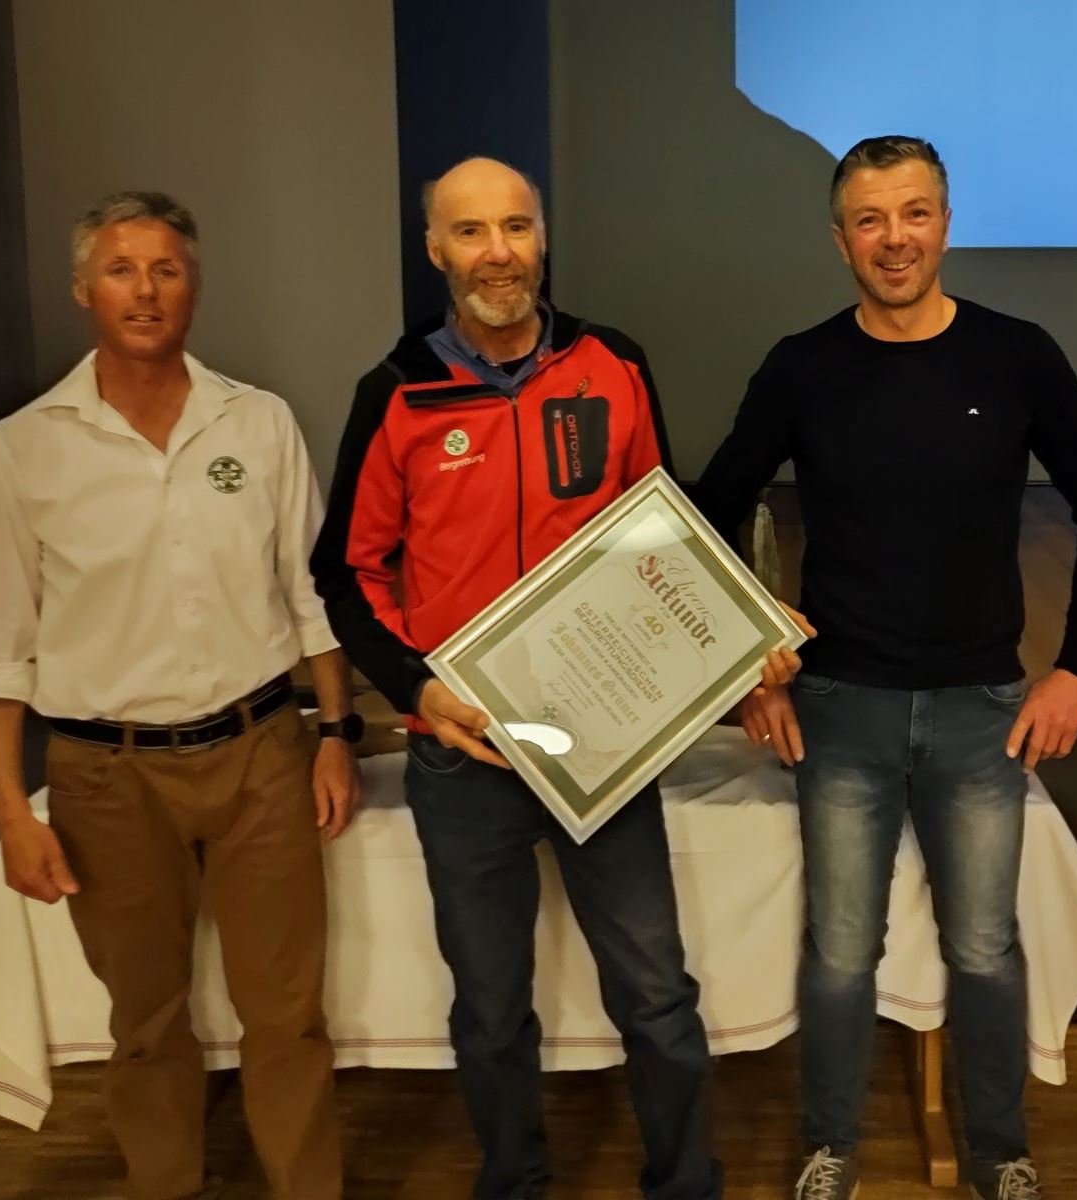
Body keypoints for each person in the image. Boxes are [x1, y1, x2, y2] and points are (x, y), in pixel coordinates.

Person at [310, 157, 801, 1200]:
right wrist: (416, 688)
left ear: (542, 237)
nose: (498, 253)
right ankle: (514, 1183)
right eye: (471, 232)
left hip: (605, 746)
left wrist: (736, 644)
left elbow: (663, 540)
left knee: (656, 995)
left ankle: (685, 1185)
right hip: (466, 754)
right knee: (490, 1012)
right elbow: (345, 573)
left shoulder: (610, 364)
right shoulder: (395, 394)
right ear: (436, 250)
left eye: (516, 227)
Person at [689, 135, 1077, 1200]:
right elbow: (702, 516)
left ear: (945, 222)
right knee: (840, 952)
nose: (894, 239)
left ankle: (1000, 1153)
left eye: (914, 213)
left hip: (981, 708)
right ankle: (829, 1148)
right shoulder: (800, 366)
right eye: (870, 219)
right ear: (839, 238)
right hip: (838, 707)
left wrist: (1075, 669)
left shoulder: (1017, 355)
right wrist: (748, 663)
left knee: (984, 950)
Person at [0, 191, 356, 1200]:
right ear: (83, 290)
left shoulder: (257, 423)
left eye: (166, 270)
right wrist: (10, 812)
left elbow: (312, 595)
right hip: (107, 774)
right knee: (145, 1022)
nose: (145, 291)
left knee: (287, 1017)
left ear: (194, 287)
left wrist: (337, 733)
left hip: (262, 754)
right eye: (122, 270)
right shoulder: (18, 451)